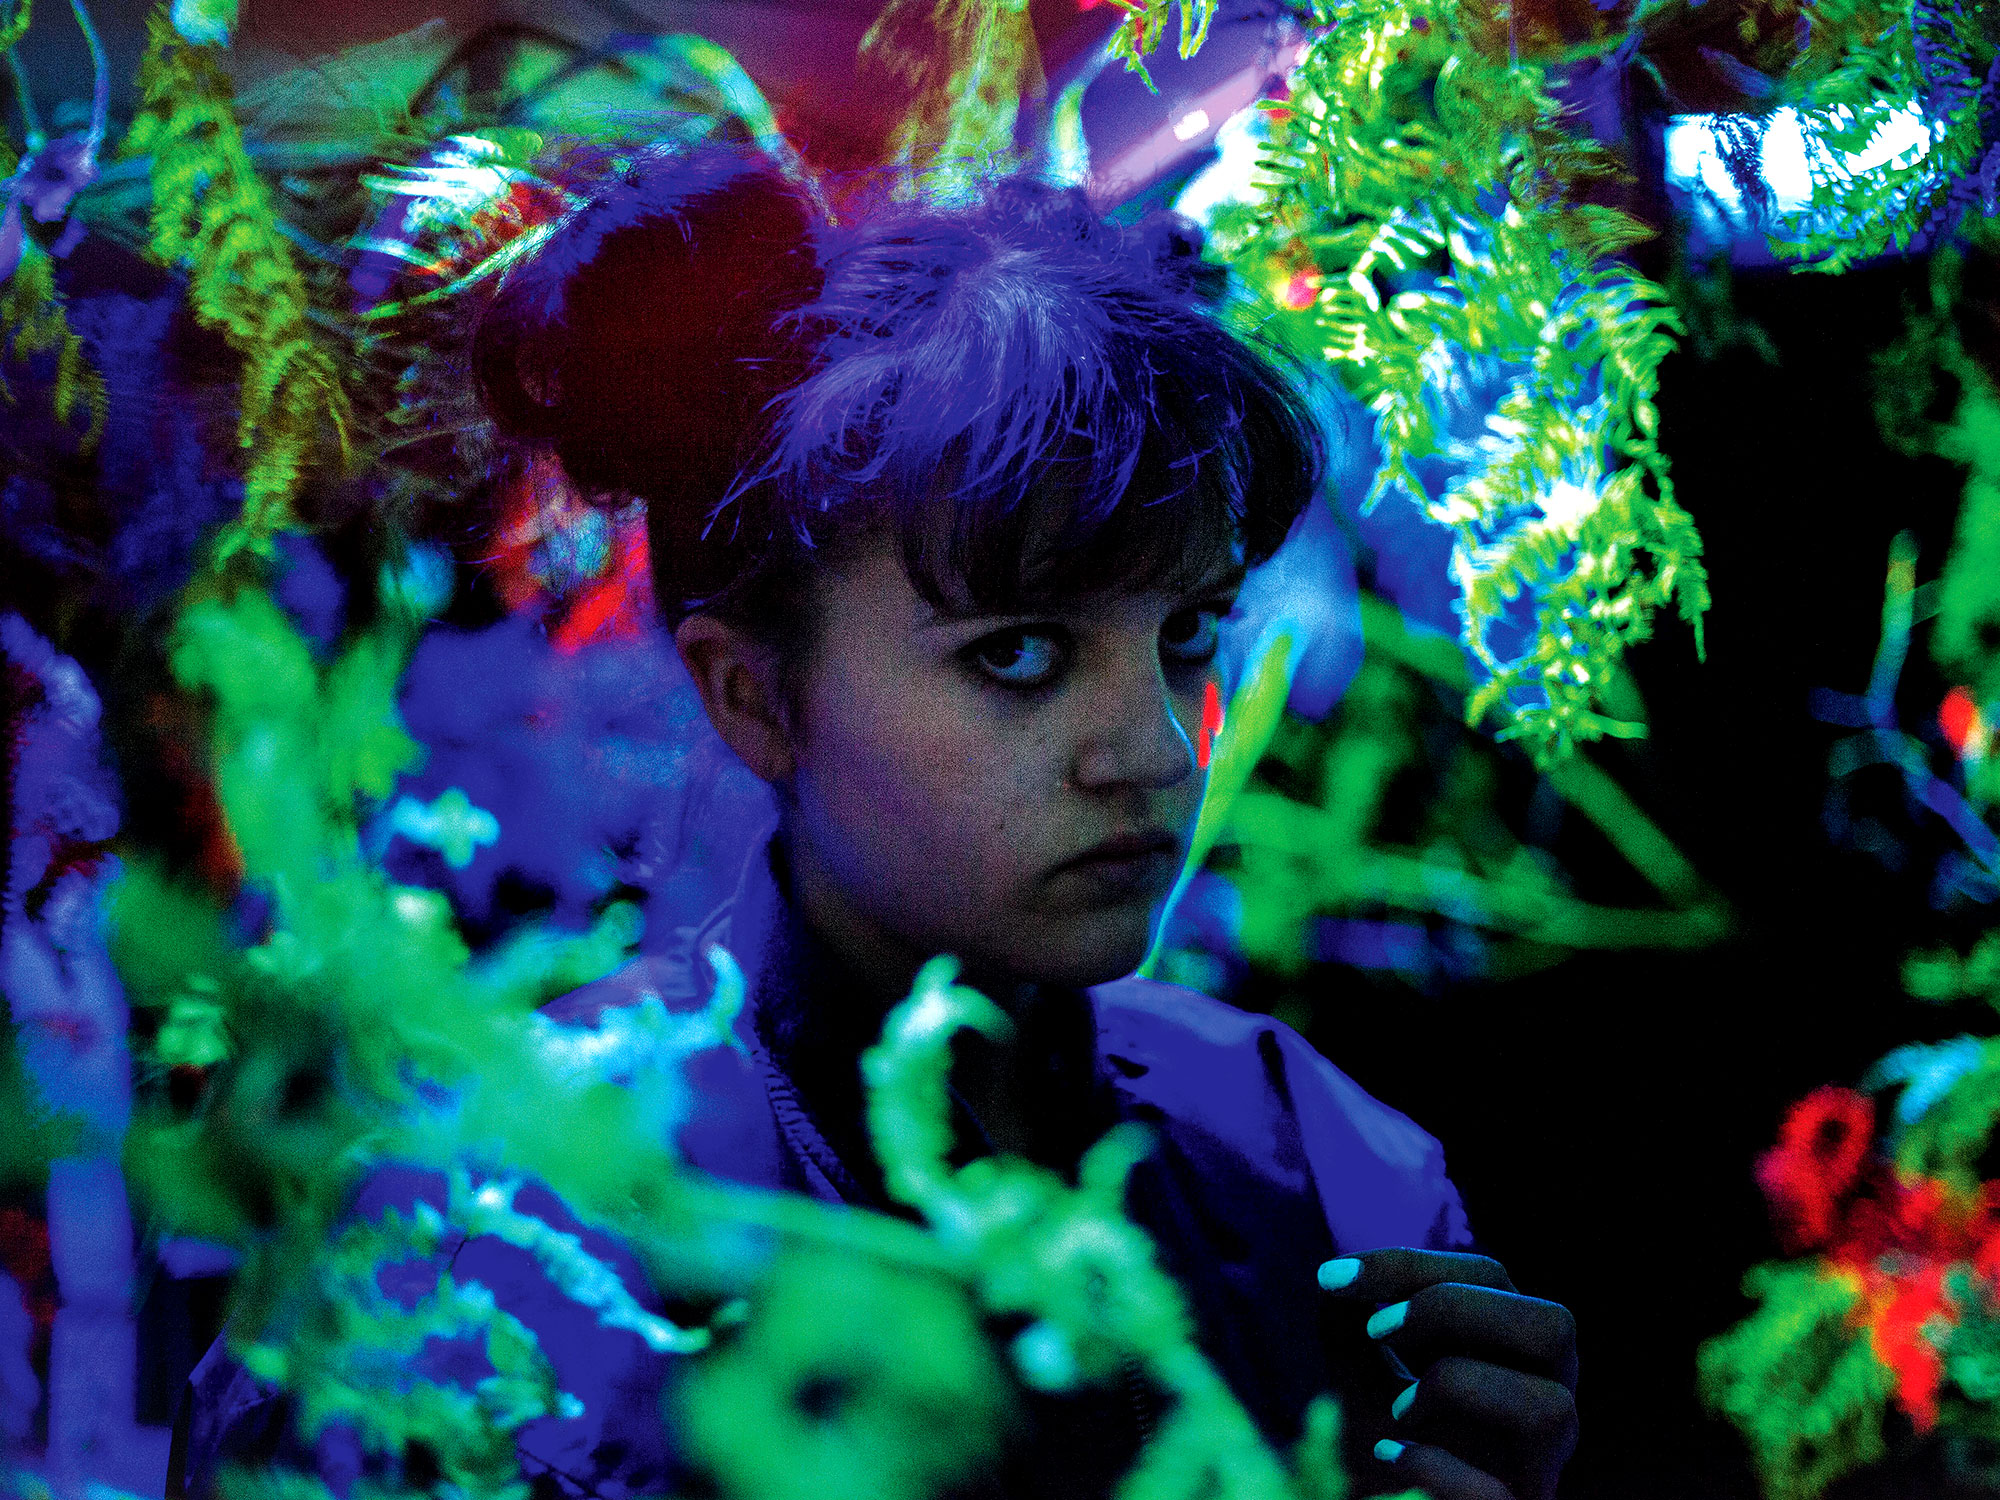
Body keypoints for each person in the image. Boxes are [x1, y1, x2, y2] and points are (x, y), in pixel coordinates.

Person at [170, 140, 1578, 1500]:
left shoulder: (1309, 1156)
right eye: (1019, 655)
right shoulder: (487, 1242)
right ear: (754, 695)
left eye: (1188, 635)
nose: (1154, 752)